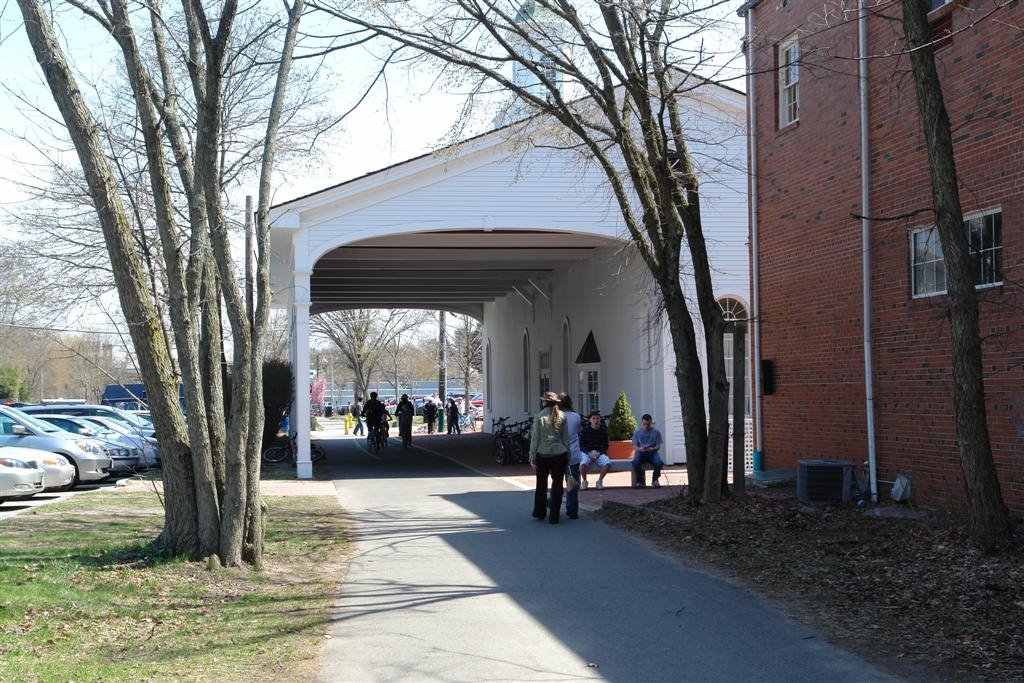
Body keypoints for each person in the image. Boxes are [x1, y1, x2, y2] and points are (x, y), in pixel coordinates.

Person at [530, 391, 571, 524]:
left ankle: (540, 512)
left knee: (541, 484)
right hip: (559, 454)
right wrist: (568, 456)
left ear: (545, 402)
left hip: (543, 454)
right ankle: (554, 516)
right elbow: (566, 439)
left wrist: (532, 456)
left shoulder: (539, 417)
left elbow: (535, 439)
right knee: (557, 485)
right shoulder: (562, 416)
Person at [558, 393, 583, 520]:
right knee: (572, 483)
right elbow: (579, 431)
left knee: (557, 483)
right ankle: (572, 510)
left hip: (558, 454)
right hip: (573, 454)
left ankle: (553, 504)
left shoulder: (556, 417)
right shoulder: (576, 417)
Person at [579, 410, 611, 490]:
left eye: (597, 418)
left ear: (600, 420)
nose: (596, 420)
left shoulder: (603, 431)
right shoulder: (584, 430)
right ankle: (585, 481)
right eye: (594, 418)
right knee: (582, 465)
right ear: (590, 420)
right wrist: (588, 453)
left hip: (599, 452)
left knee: (607, 464)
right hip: (587, 452)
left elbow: (605, 445)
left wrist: (599, 453)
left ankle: (599, 481)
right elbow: (581, 445)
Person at [631, 414, 664, 488]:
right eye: (644, 424)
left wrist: (653, 449)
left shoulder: (656, 432)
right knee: (635, 462)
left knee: (659, 463)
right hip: (641, 452)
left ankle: (655, 480)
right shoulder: (637, 432)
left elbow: (658, 446)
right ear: (641, 423)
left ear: (651, 423)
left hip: (652, 452)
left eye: (648, 424)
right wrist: (640, 449)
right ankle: (640, 481)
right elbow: (634, 446)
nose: (646, 426)